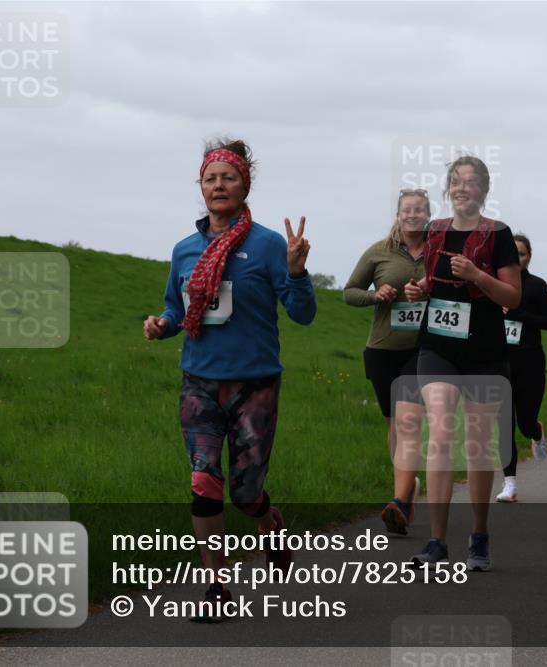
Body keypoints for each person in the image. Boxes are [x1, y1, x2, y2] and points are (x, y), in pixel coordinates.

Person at [143, 139, 316, 621]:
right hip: (199, 381)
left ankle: (270, 523)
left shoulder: (267, 245)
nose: (219, 186)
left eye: (229, 178)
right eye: (210, 179)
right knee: (203, 481)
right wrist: (162, 324)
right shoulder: (185, 249)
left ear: (246, 185)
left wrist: (298, 274)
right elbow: (176, 309)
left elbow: (302, 315)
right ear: (201, 187)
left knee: (244, 493)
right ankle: (217, 588)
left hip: (255, 385)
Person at [403, 156, 521, 571]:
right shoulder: (435, 232)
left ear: (484, 191)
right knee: (439, 434)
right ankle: (436, 540)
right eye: (456, 181)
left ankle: (480, 533)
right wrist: (419, 290)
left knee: (475, 442)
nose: (462, 188)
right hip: (438, 347)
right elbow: (432, 283)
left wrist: (476, 275)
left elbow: (512, 297)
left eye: (470, 182)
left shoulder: (498, 234)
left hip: (485, 351)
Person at [343, 189, 429, 534]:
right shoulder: (379, 252)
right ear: (398, 214)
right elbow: (349, 291)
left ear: (428, 214)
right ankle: (409, 488)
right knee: (395, 426)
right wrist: (375, 295)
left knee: (408, 423)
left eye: (419, 209)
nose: (412, 214)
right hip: (382, 349)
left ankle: (400, 503)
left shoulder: (438, 251)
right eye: (407, 209)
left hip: (423, 350)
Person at [496, 233, 547, 503]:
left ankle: (536, 431)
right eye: (512, 253)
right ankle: (509, 484)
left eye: (521, 254)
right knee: (504, 423)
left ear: (529, 256)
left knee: (524, 423)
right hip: (499, 361)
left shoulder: (537, 286)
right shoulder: (493, 284)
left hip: (530, 360)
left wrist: (522, 316)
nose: (516, 258)